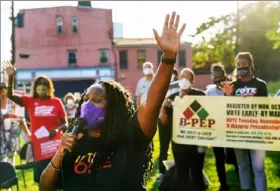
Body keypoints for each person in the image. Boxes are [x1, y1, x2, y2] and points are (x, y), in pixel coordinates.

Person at [39, 11, 186, 191]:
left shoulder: (130, 135)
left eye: (97, 100)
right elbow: (44, 187)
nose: (87, 105)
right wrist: (60, 153)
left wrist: (168, 58)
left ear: (113, 108)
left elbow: (151, 105)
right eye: (86, 99)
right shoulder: (74, 142)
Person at [2, 62, 68, 184]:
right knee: (42, 180)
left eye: (44, 89)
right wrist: (11, 77)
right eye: (38, 89)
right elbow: (10, 95)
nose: (41, 91)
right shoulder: (30, 101)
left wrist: (57, 129)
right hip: (40, 148)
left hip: (55, 146)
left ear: (49, 89)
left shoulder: (56, 102)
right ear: (35, 89)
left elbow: (66, 124)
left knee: (59, 180)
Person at [220, 52, 268, 191]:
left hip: (257, 131)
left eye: (243, 64)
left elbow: (266, 108)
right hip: (238, 131)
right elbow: (225, 109)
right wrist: (228, 95)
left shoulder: (260, 84)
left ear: (250, 65)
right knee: (242, 166)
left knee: (259, 168)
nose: (241, 67)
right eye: (238, 65)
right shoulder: (231, 86)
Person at [160, 68, 206, 191]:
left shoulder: (201, 95)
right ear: (178, 80)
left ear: (192, 81)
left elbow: (205, 116)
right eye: (182, 77)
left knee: (197, 174)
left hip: (197, 143)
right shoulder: (172, 97)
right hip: (179, 144)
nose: (184, 80)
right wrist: (163, 109)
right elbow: (164, 122)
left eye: (187, 78)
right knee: (181, 176)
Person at [205, 63, 239, 191]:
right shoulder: (209, 92)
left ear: (224, 76)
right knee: (219, 159)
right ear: (212, 77)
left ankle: (242, 182)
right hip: (216, 129)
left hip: (231, 129)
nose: (218, 80)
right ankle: (223, 185)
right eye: (215, 77)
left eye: (220, 77)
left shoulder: (232, 89)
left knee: (234, 157)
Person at [156, 68, 179, 182]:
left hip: (177, 121)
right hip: (164, 120)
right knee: (163, 147)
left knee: (177, 148)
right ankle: (161, 172)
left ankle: (178, 172)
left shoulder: (179, 87)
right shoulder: (159, 86)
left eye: (173, 75)